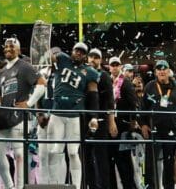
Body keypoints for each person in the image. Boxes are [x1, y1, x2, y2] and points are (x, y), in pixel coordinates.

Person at [45, 43, 100, 189]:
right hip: (57, 113)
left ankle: (76, 185)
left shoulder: (90, 72)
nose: (78, 53)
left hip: (75, 114)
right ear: (72, 50)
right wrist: (47, 47)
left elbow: (93, 96)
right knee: (55, 150)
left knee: (73, 152)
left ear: (85, 55)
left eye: (82, 52)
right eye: (76, 50)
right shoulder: (62, 59)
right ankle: (54, 184)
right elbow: (47, 57)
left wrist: (93, 116)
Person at [0, 37, 46, 189]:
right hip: (2, 118)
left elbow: (42, 84)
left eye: (12, 47)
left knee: (19, 155)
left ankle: (20, 186)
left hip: (18, 118)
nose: (9, 49)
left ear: (19, 50)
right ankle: (10, 186)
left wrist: (29, 104)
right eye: (7, 47)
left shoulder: (25, 66)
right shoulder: (2, 71)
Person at [141, 60, 176, 189]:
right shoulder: (149, 86)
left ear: (168, 71)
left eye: (164, 68)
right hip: (153, 130)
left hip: (172, 130)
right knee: (150, 163)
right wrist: (143, 124)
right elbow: (143, 107)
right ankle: (150, 187)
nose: (161, 71)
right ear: (155, 72)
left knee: (170, 163)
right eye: (158, 69)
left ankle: (169, 187)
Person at [86, 48, 116, 189]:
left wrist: (111, 121)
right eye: (91, 56)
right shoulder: (83, 73)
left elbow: (110, 101)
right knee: (86, 157)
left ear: (101, 60)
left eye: (96, 57)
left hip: (102, 122)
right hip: (86, 121)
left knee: (101, 158)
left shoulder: (104, 76)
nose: (93, 59)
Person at [108, 57, 140, 189]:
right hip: (109, 127)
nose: (114, 67)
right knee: (109, 162)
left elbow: (134, 103)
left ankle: (130, 187)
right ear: (109, 67)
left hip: (123, 128)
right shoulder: (106, 81)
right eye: (112, 65)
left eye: (117, 65)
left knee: (124, 162)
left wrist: (132, 123)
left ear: (120, 66)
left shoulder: (126, 82)